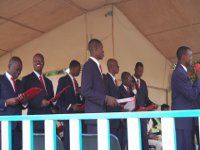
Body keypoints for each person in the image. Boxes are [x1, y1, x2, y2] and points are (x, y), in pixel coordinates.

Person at [81, 38, 118, 134]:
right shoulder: (88, 65)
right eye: (101, 48)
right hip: (94, 117)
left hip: (100, 115)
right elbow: (85, 90)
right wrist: (105, 98)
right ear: (95, 49)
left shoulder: (97, 66)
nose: (103, 51)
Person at [171, 46, 200, 150]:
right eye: (190, 55)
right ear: (183, 56)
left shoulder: (182, 72)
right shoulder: (179, 73)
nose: (192, 58)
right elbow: (192, 95)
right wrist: (198, 78)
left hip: (186, 121)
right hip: (182, 121)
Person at [22, 53, 54, 133]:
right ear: (33, 63)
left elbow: (52, 98)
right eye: (35, 61)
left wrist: (53, 103)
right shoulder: (26, 79)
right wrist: (40, 103)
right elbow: (24, 100)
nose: (38, 62)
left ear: (44, 62)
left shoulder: (49, 82)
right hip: (35, 121)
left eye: (40, 60)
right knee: (37, 145)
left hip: (49, 120)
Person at [0, 56, 27, 150]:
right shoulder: (0, 80)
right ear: (9, 66)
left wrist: (24, 102)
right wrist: (7, 102)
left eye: (20, 70)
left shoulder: (20, 83)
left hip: (18, 127)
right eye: (17, 69)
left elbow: (24, 105)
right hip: (4, 126)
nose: (19, 72)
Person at [56, 60, 83, 150]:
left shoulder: (76, 82)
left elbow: (77, 99)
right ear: (73, 68)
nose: (79, 71)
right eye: (79, 69)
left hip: (76, 116)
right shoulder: (63, 80)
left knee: (76, 141)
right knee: (68, 141)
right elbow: (58, 99)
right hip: (67, 116)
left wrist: (81, 96)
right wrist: (71, 106)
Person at [132, 62, 158, 150]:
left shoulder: (143, 83)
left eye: (142, 71)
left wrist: (152, 104)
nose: (140, 73)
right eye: (139, 71)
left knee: (144, 139)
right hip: (133, 115)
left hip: (143, 116)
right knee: (135, 139)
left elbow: (146, 99)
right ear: (135, 69)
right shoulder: (129, 80)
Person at [104, 58, 123, 148]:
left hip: (117, 119)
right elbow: (107, 98)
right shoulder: (106, 79)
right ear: (111, 66)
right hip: (111, 118)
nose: (118, 67)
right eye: (117, 65)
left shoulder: (115, 81)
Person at [118, 71, 135, 150]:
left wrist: (134, 90)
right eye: (129, 78)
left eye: (131, 78)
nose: (131, 80)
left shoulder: (132, 90)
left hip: (131, 119)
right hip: (123, 121)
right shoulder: (118, 90)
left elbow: (136, 99)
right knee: (123, 142)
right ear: (123, 80)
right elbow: (117, 103)